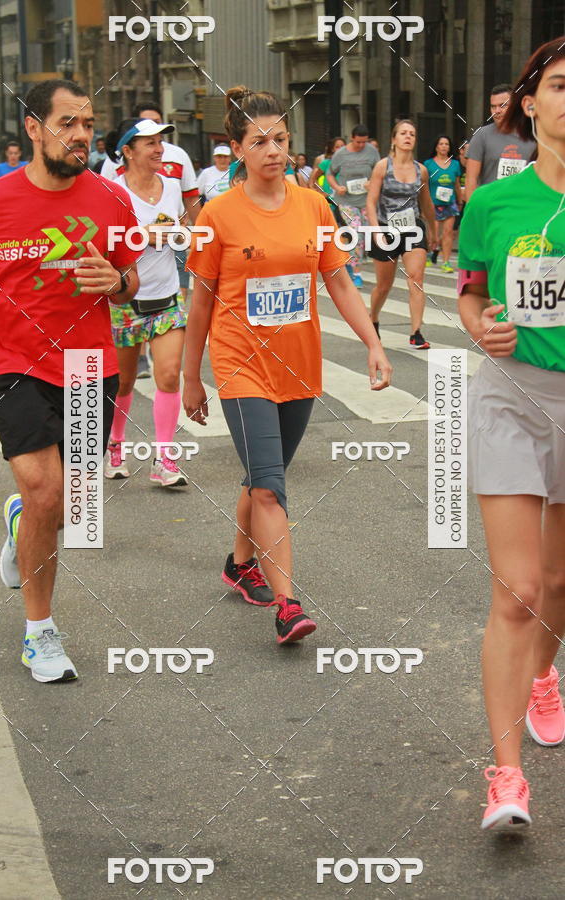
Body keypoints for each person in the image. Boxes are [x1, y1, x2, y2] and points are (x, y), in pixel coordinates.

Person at [183, 85, 391, 644]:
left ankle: (239, 563)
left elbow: (339, 281)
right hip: (240, 363)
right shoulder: (218, 215)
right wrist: (190, 378)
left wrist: (373, 343)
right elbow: (200, 302)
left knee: (262, 477)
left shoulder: (313, 205)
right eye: (259, 141)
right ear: (237, 149)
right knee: (271, 490)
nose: (272, 150)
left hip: (297, 364)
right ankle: (288, 605)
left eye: (279, 139)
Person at [0, 79, 140, 683]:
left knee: (72, 509)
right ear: (34, 128)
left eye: (88, 124)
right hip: (14, 361)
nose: (81, 135)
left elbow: (132, 279)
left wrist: (117, 284)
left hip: (90, 365)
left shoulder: (112, 199)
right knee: (45, 491)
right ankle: (39, 632)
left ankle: (23, 521)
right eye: (68, 123)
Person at [458, 37, 565, 831]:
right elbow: (469, 292)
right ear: (531, 103)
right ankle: (506, 777)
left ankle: (543, 678)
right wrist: (479, 326)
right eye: (561, 85)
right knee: (519, 590)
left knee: (558, 584)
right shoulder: (494, 204)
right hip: (510, 397)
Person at [103, 118, 189, 488]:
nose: (159, 149)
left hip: (167, 297)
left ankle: (164, 459)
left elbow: (184, 230)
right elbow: (103, 241)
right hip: (125, 301)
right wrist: (143, 236)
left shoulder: (172, 187)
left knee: (168, 375)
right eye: (150, 143)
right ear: (127, 150)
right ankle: (115, 444)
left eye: (160, 142)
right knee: (123, 382)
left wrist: (180, 235)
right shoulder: (111, 191)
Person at [366, 119, 436, 349]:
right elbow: (371, 201)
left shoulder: (421, 170)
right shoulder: (382, 166)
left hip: (412, 228)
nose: (408, 137)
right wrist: (376, 231)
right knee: (384, 285)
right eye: (403, 133)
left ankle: (416, 332)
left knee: (416, 279)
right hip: (385, 228)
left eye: (412, 134)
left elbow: (426, 203)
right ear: (394, 139)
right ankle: (373, 318)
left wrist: (433, 231)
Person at [326, 124, 380, 287]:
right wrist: (337, 187)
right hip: (347, 202)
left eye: (364, 142)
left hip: (366, 201)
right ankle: (357, 274)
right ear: (352, 138)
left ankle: (348, 262)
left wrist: (372, 182)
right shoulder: (341, 154)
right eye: (358, 142)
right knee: (356, 234)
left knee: (365, 234)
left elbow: (379, 172)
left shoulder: (372, 152)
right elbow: (330, 174)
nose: (361, 145)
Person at [465, 84, 536, 201]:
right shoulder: (481, 136)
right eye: (493, 107)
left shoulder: (533, 136)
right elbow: (470, 180)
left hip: (523, 205)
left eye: (503, 105)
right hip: (490, 206)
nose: (497, 111)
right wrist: (471, 210)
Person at [423, 135, 462, 272]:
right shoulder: (428, 164)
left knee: (448, 232)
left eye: (446, 144)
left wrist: (460, 201)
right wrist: (424, 204)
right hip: (433, 203)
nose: (444, 146)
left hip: (450, 203)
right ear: (436, 147)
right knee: (432, 232)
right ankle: (429, 254)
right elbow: (424, 185)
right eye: (441, 144)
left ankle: (446, 262)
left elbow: (457, 185)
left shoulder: (455, 164)